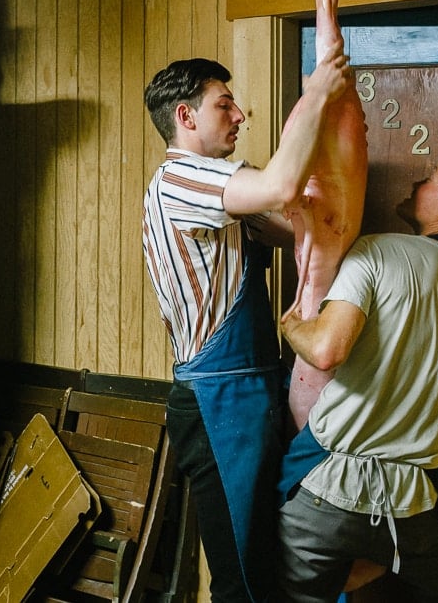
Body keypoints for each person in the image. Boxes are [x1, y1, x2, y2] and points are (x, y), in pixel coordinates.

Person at [142, 41, 353, 602]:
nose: (239, 116)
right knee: (243, 581)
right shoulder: (182, 181)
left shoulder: (222, 193)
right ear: (185, 118)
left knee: (271, 558)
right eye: (224, 105)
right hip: (218, 405)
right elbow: (282, 189)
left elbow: (303, 229)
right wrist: (318, 91)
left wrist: (312, 205)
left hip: (254, 390)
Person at [278, 141, 438, 602]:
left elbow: (327, 350)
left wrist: (293, 326)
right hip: (413, 507)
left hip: (325, 488)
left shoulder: (379, 251)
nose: (418, 181)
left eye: (431, 178)